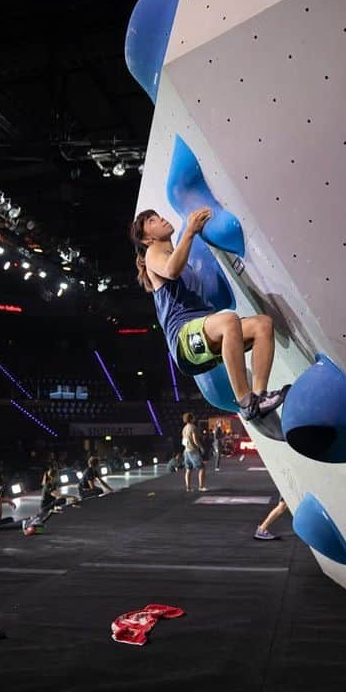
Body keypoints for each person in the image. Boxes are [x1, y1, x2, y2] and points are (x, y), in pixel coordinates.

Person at [130, 207, 289, 421]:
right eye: (151, 220)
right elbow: (170, 271)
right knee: (228, 320)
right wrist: (190, 231)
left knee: (263, 324)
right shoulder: (152, 254)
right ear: (147, 239)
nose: (160, 218)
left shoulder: (179, 256)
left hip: (203, 334)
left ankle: (260, 397)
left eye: (157, 215)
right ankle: (245, 401)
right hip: (183, 341)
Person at [181, 412, 207, 492]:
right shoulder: (193, 427)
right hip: (193, 451)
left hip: (186, 451)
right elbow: (195, 440)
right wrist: (201, 447)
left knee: (188, 469)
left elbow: (183, 440)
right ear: (191, 418)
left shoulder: (184, 428)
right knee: (202, 468)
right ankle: (201, 486)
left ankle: (188, 488)